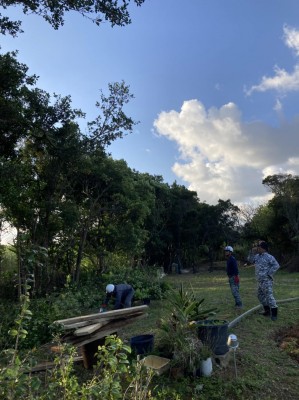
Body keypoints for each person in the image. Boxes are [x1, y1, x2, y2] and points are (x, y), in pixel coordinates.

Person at [247, 241, 280, 321]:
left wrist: (269, 273)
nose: (257, 248)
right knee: (260, 295)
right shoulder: (257, 256)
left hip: (266, 281)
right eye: (257, 247)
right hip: (260, 281)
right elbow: (250, 260)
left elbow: (276, 265)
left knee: (269, 296)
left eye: (259, 247)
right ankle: (267, 311)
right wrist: (252, 252)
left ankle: (274, 314)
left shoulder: (269, 257)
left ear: (263, 248)